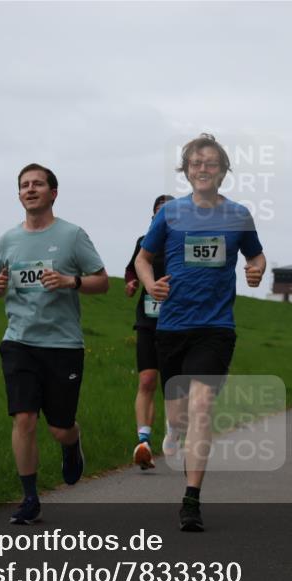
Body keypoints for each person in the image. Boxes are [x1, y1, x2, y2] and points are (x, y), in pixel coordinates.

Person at [135, 133, 266, 531]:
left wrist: (257, 269)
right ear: (187, 171)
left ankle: (191, 500)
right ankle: (173, 430)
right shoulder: (170, 213)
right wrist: (149, 283)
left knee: (202, 405)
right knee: (179, 415)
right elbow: (144, 257)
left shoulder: (239, 215)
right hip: (172, 327)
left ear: (224, 170)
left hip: (215, 327)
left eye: (211, 163)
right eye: (196, 163)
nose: (203, 169)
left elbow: (256, 254)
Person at [0, 163, 109, 525]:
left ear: (53, 193)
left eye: (38, 184)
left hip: (62, 345)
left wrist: (71, 282)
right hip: (19, 341)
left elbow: (102, 282)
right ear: (19, 194)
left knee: (59, 426)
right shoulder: (9, 239)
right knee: (23, 418)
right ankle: (29, 498)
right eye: (24, 185)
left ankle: (72, 445)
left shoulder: (72, 236)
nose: (30, 189)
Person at [124, 194, 174, 470]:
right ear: (152, 216)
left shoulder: (184, 242)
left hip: (178, 323)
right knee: (146, 381)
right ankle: (143, 443)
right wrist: (132, 284)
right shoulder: (144, 242)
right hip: (148, 319)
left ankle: (173, 432)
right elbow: (132, 269)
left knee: (173, 385)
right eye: (159, 211)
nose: (164, 216)